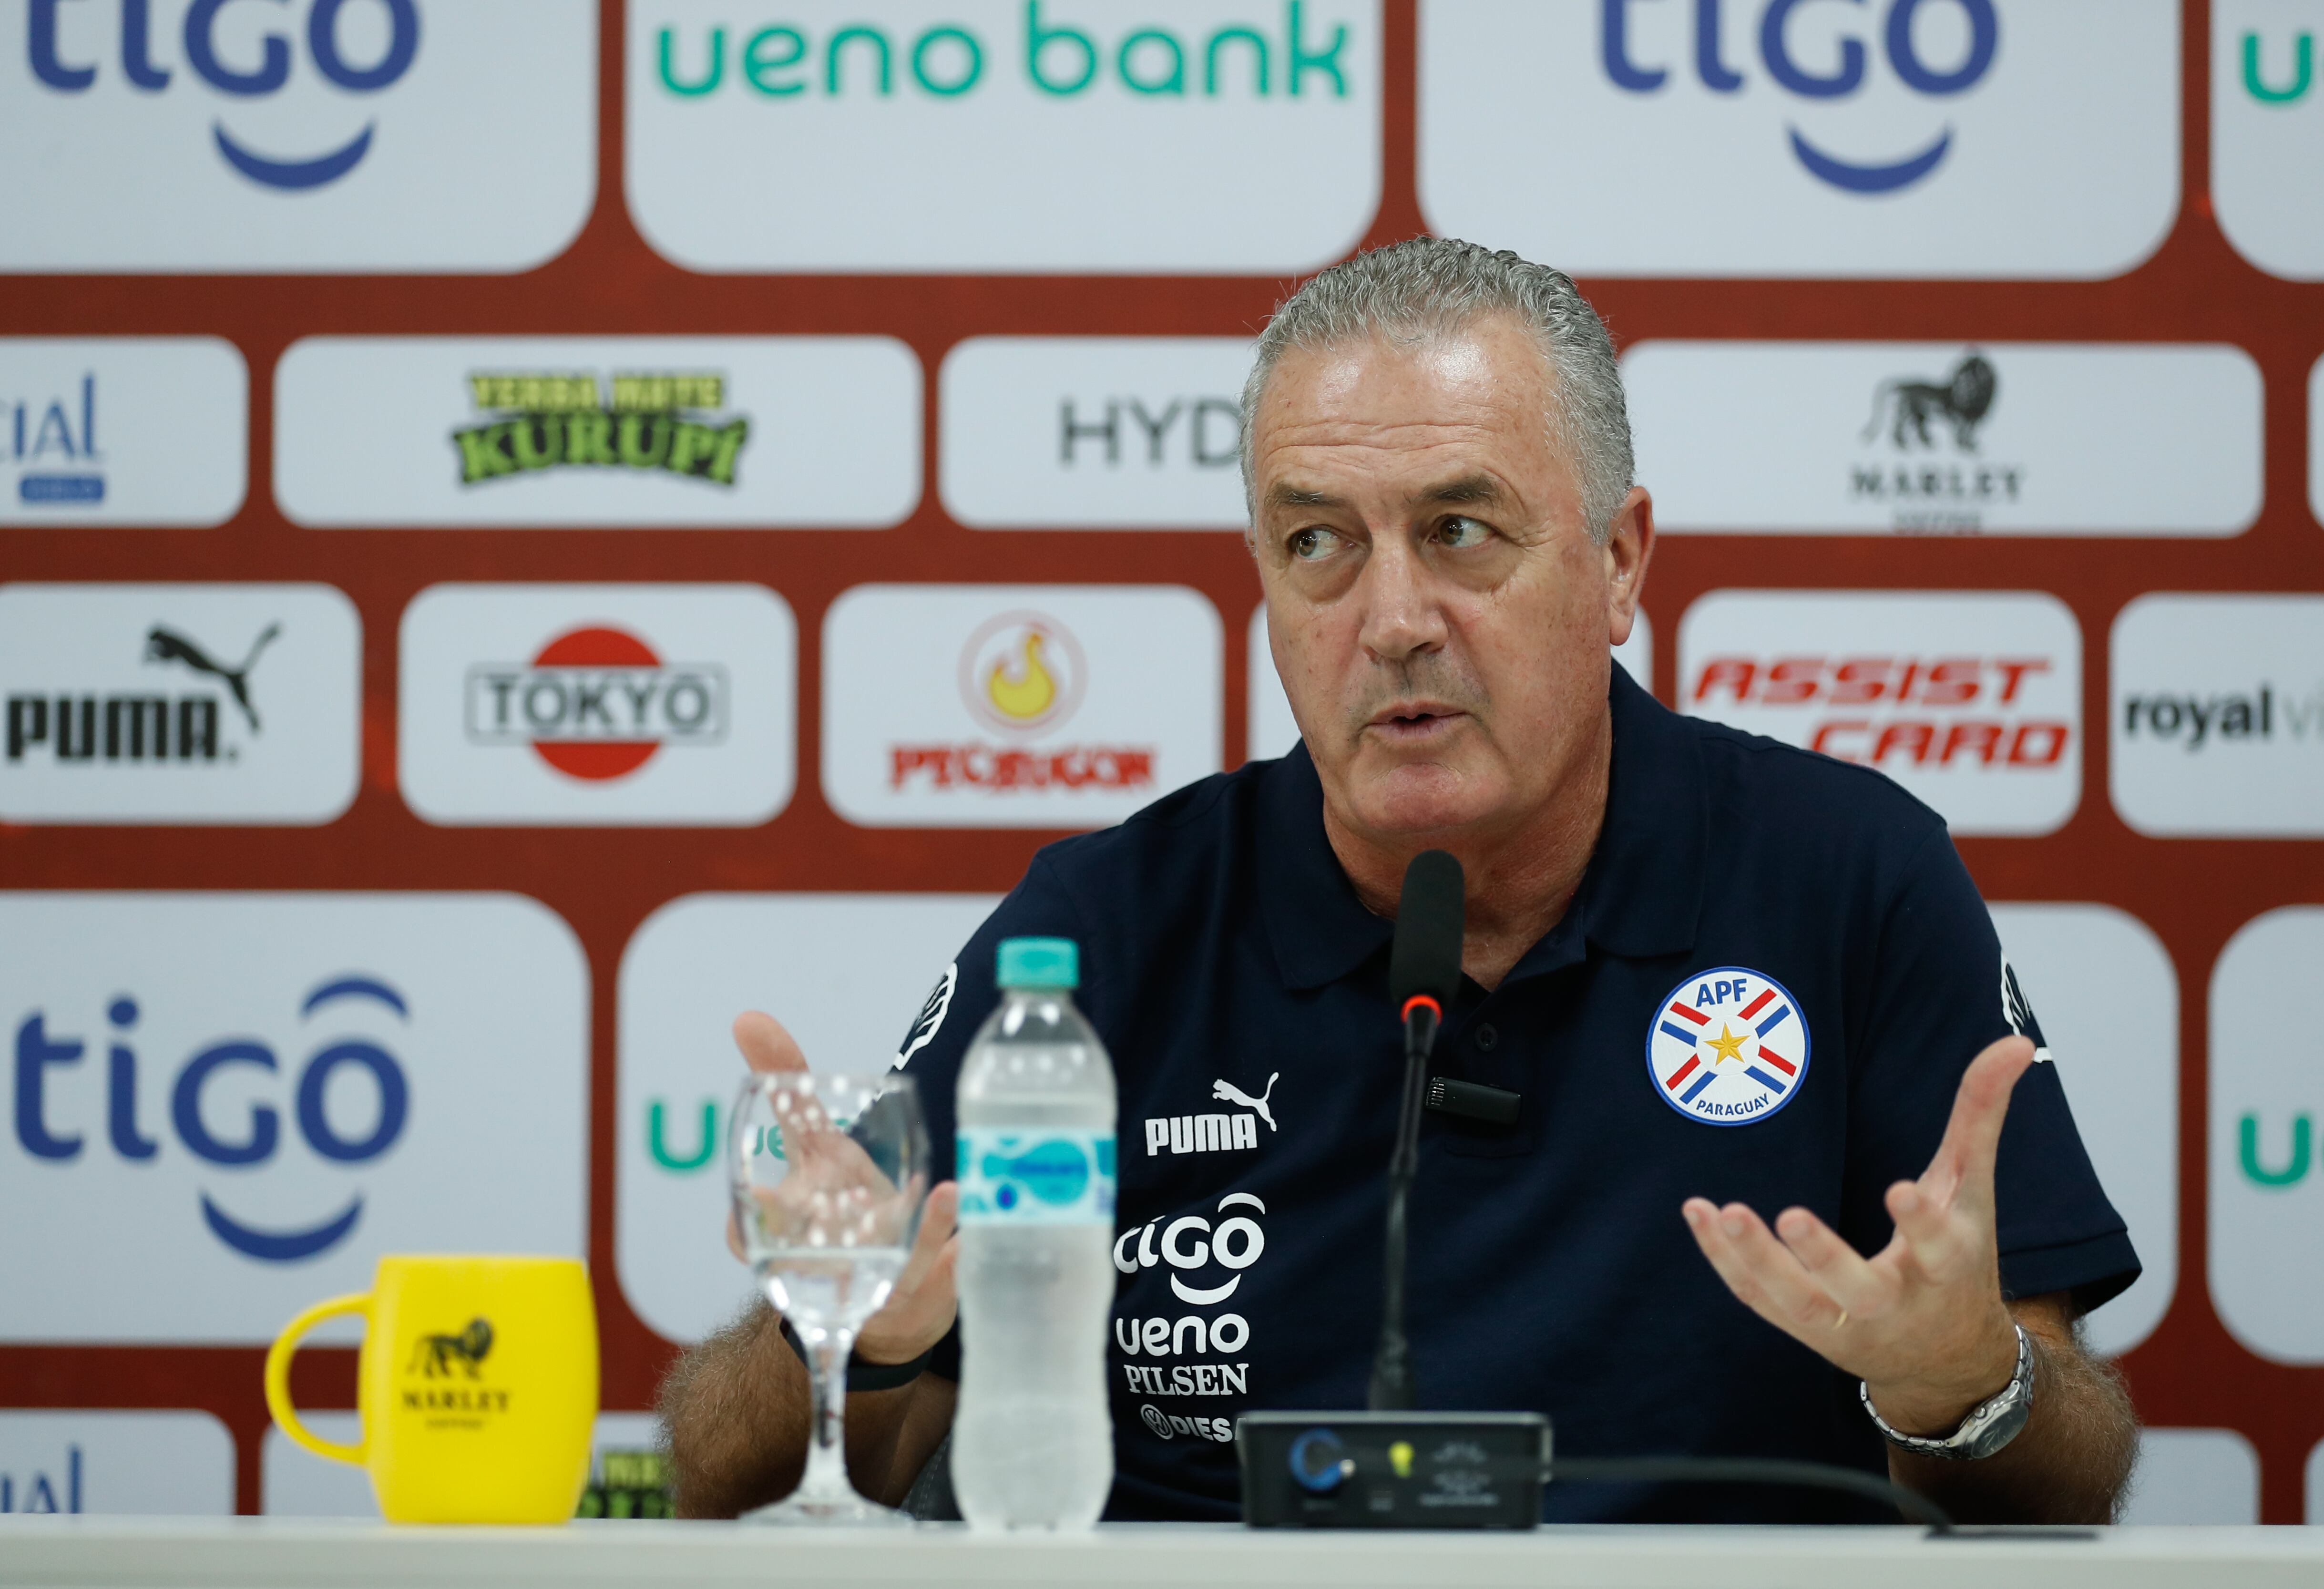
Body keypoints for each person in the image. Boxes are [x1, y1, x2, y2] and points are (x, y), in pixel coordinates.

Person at [661, 238, 2140, 1525]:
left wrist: (1967, 1388)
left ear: (1620, 563)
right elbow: (720, 1484)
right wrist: (845, 1335)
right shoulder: (1103, 936)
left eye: (1460, 531)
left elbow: (2066, 1482)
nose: (1392, 621)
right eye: (1318, 543)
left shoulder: (1844, 879)